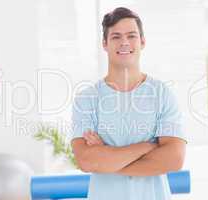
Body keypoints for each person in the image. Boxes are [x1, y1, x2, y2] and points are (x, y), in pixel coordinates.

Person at [71, 7, 187, 200]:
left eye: (131, 35)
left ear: (142, 42)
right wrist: (148, 146)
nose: (124, 42)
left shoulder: (162, 94)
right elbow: (87, 161)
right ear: (105, 44)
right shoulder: (86, 99)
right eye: (116, 36)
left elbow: (174, 159)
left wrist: (108, 159)